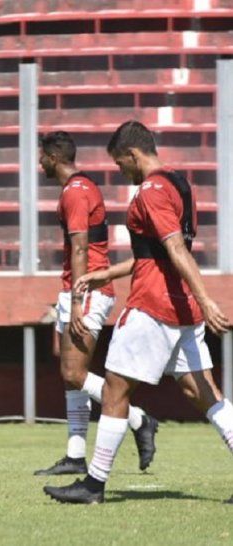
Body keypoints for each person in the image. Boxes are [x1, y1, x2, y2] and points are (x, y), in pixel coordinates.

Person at [44, 121, 232, 504]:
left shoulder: (149, 192)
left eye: (120, 164)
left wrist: (209, 298)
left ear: (132, 154)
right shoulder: (180, 183)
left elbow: (176, 249)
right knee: (206, 395)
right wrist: (107, 273)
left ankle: (93, 484)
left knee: (114, 389)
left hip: (153, 306)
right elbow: (157, 253)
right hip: (183, 309)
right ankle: (93, 481)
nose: (120, 172)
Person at [35, 131, 157, 476]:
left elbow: (80, 248)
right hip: (79, 288)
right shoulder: (81, 187)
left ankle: (139, 419)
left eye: (41, 156)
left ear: (54, 158)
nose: (39, 163)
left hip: (86, 291)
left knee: (73, 372)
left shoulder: (75, 192)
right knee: (72, 377)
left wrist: (77, 300)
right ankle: (75, 455)